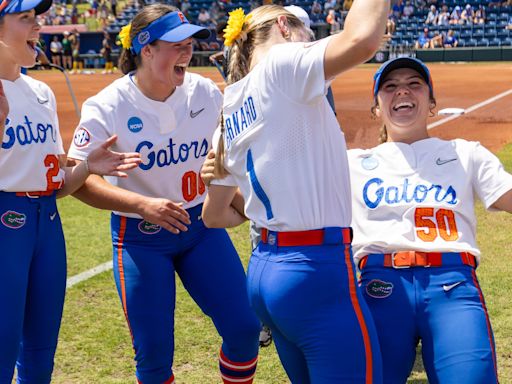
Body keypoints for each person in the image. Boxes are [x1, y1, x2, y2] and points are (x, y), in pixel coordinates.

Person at [67, 5, 261, 384]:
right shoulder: (107, 106)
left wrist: (236, 201)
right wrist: (140, 204)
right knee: (154, 357)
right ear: (146, 49)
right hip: (140, 238)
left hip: (199, 230)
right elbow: (76, 181)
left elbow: (228, 157)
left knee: (244, 329)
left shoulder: (204, 92)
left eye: (190, 43)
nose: (187, 51)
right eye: (176, 44)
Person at [201, 2, 389, 382]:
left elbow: (213, 215)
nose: (311, 41)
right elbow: (363, 38)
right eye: (305, 32)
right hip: (315, 268)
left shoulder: (231, 104)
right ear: (284, 26)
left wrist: (263, 210)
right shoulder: (282, 64)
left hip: (265, 269)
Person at [0, 0, 141, 381]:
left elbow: (56, 185)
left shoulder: (41, 93)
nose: (38, 28)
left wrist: (88, 167)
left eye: (38, 19)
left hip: (47, 222)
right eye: (25, 19)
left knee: (41, 347)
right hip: (4, 224)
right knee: (2, 342)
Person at [351, 57, 511, 384]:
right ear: (377, 109)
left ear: (432, 103)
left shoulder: (465, 153)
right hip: (379, 285)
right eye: (390, 87)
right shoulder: (352, 162)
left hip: (452, 284)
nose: (402, 92)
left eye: (414, 84)